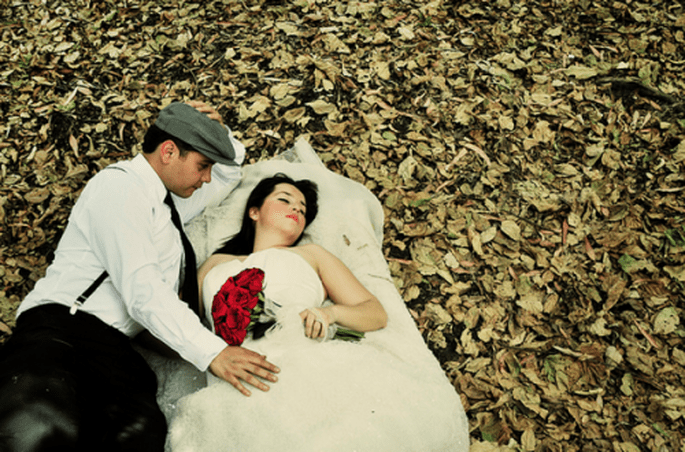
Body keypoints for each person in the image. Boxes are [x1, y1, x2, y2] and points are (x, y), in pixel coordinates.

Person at [0, 101, 279, 452]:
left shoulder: (171, 199)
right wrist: (214, 352)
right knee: (40, 431)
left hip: (115, 350)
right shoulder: (119, 188)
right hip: (61, 332)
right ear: (168, 151)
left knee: (140, 433)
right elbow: (142, 288)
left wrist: (219, 133)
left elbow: (227, 175)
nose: (206, 177)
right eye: (201, 166)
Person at [168, 174, 469, 451]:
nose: (296, 210)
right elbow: (176, 320)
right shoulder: (215, 263)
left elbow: (375, 313)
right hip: (238, 380)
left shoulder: (311, 255)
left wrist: (330, 314)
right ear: (254, 211)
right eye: (285, 199)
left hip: (305, 366)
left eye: (303, 209)